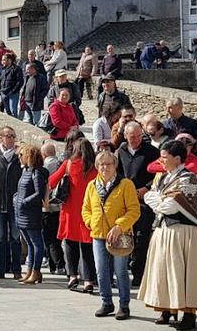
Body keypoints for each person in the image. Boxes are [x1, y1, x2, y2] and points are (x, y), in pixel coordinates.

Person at [138, 140, 197, 331]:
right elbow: (150, 197)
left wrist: (158, 199)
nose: (161, 160)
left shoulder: (188, 179)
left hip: (183, 232)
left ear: (177, 159)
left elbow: (170, 206)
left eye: (164, 157)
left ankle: (189, 313)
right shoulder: (162, 178)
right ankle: (167, 308)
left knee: (184, 272)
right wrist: (160, 199)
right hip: (163, 230)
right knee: (162, 270)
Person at [82, 151, 140, 319]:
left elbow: (134, 210)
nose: (105, 167)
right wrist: (91, 222)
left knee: (120, 271)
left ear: (115, 166)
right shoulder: (92, 185)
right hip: (98, 235)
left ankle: (124, 305)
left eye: (108, 164)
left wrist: (119, 226)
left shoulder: (126, 184)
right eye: (101, 164)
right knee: (101, 271)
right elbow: (86, 209)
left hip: (119, 235)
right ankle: (106, 302)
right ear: (97, 166)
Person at [50, 137, 97, 294]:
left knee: (70, 244)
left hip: (70, 210)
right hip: (90, 210)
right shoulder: (95, 167)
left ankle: (73, 276)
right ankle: (89, 280)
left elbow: (52, 181)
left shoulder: (69, 164)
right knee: (88, 247)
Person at [117, 121, 160, 284]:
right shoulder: (121, 151)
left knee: (142, 238)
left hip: (143, 200)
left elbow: (158, 174)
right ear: (126, 136)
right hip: (125, 200)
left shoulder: (152, 152)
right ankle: (123, 270)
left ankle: (139, 274)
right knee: (125, 235)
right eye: (132, 137)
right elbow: (118, 173)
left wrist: (147, 188)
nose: (135, 139)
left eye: (138, 136)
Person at [0, 127, 23, 280]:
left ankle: (16, 269)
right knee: (0, 237)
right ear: (2, 138)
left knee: (15, 237)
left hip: (14, 204)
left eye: (13, 136)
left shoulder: (18, 156)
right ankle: (0, 269)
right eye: (8, 136)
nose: (11, 139)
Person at [14, 145, 49, 285]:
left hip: (31, 214)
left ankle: (36, 271)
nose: (19, 157)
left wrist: (24, 202)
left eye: (21, 154)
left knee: (36, 244)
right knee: (29, 243)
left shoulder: (37, 172)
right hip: (22, 213)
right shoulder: (26, 171)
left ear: (29, 156)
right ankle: (29, 271)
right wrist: (16, 198)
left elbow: (39, 193)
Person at [40, 142, 65, 276]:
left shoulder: (44, 167)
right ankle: (56, 264)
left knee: (49, 238)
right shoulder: (61, 164)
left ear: (44, 154)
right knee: (57, 237)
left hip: (48, 207)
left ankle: (56, 264)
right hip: (60, 206)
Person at [21, 62, 49, 126]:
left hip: (35, 103)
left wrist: (39, 98)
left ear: (33, 69)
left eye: (28, 69)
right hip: (27, 102)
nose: (26, 71)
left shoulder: (41, 78)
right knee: (29, 121)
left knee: (36, 122)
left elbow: (46, 89)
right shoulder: (27, 77)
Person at [0, 53, 24, 119]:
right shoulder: (2, 69)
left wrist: (13, 91)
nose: (2, 62)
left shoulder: (16, 69)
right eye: (2, 60)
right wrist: (0, 90)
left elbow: (20, 82)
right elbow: (0, 80)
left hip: (13, 94)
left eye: (4, 60)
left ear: (9, 60)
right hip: (4, 93)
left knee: (13, 111)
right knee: (7, 111)